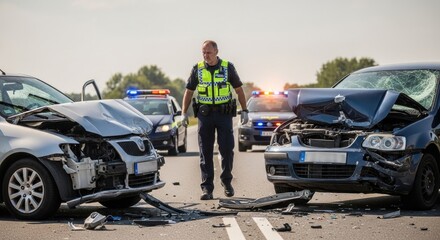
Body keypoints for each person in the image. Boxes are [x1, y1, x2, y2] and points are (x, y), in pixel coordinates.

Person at [181, 40, 249, 200]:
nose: (206, 55)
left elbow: (239, 90)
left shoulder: (227, 67)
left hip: (224, 114)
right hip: (205, 116)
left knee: (226, 150)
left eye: (209, 52)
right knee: (205, 152)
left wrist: (244, 110)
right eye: (203, 52)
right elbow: (189, 92)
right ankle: (207, 189)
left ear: (216, 51)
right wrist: (184, 113)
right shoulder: (197, 69)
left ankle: (226, 182)